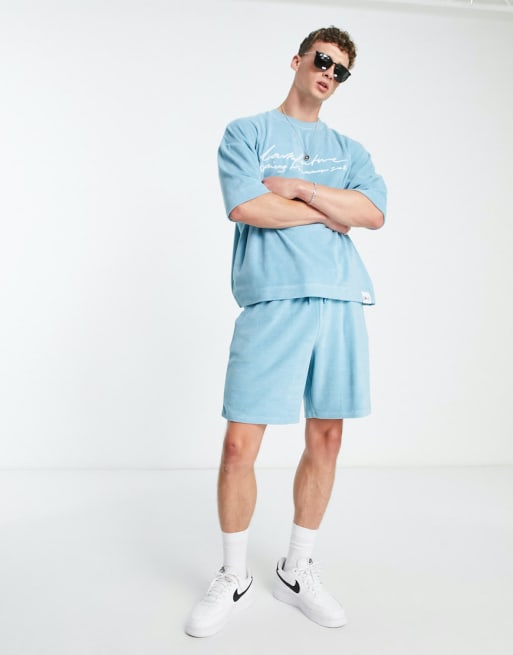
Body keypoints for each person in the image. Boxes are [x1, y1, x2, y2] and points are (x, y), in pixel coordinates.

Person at [185, 25, 387, 638]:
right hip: (272, 300)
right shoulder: (247, 133)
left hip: (340, 300)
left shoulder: (350, 149)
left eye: (341, 70)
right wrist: (331, 209)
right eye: (322, 60)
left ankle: (297, 570)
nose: (329, 73)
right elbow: (246, 206)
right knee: (239, 445)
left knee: (327, 437)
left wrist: (299, 189)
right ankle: (233, 575)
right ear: (297, 60)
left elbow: (372, 213)